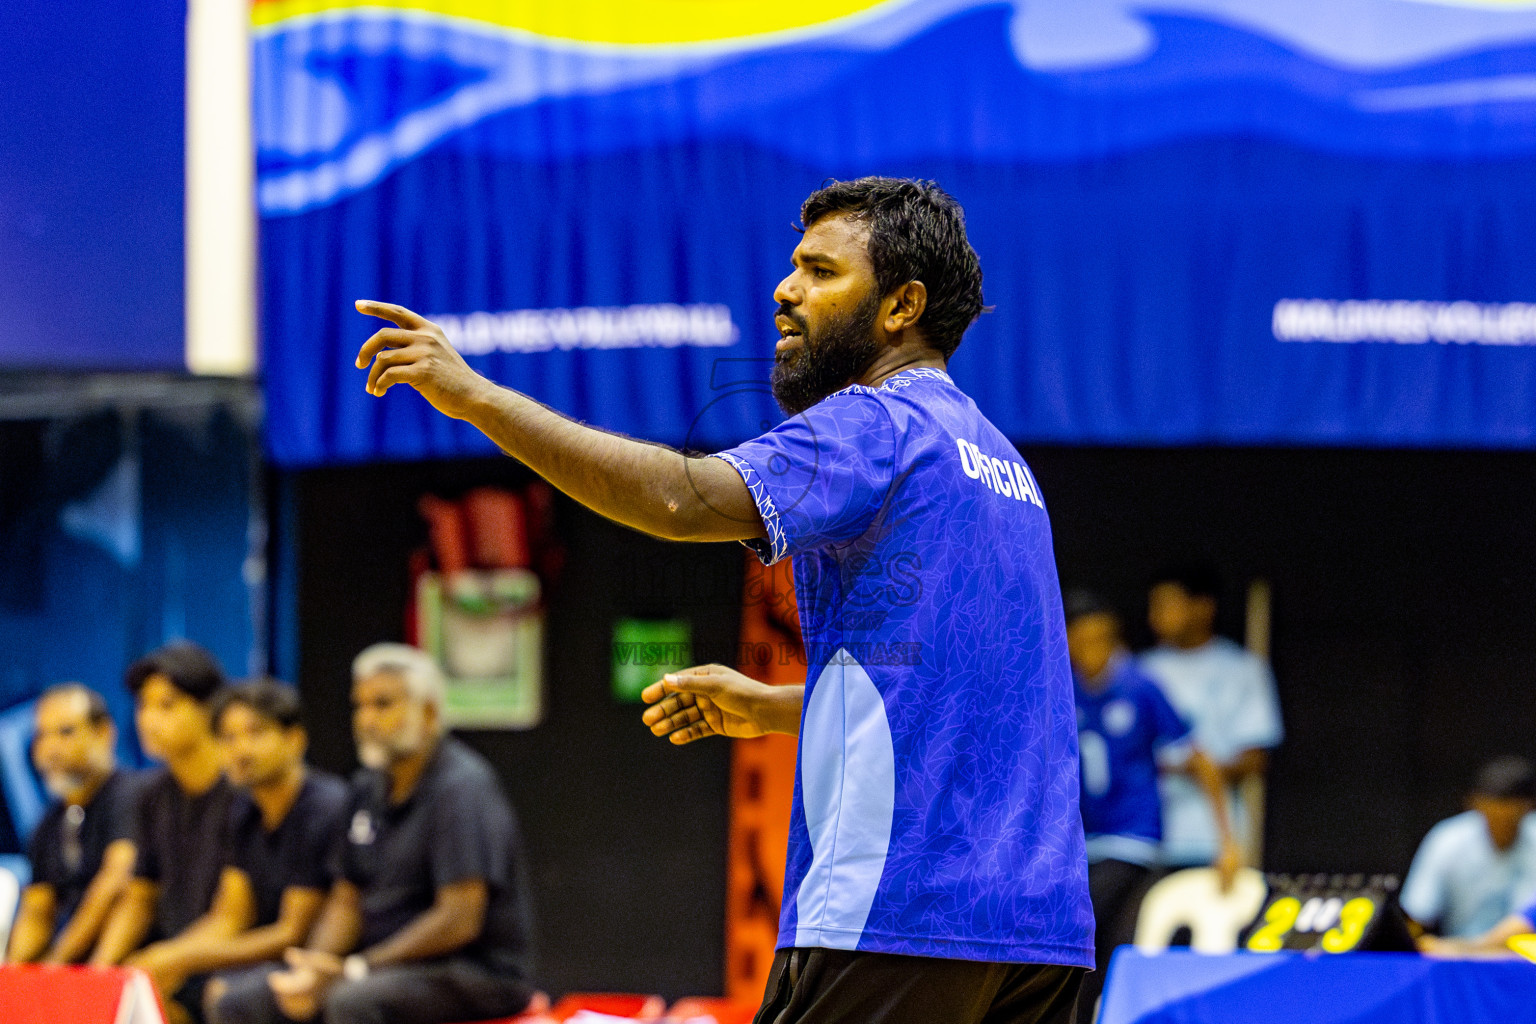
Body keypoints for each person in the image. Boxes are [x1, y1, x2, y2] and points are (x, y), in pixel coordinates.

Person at [352, 177, 1092, 1023]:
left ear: (902, 306)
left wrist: (474, 398)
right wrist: (775, 707)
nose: (785, 289)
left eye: (820, 271)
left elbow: (681, 499)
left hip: (901, 912)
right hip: (1042, 937)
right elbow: (959, 701)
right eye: (794, 266)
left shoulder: (877, 423)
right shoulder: (1002, 467)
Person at [210, 643, 537, 1024]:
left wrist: (360, 968)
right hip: (378, 965)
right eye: (359, 705)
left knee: (351, 1002)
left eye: (383, 705)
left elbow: (459, 918)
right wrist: (313, 967)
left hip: (470, 971)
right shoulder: (366, 788)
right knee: (242, 1000)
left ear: (428, 713)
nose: (366, 719)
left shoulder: (461, 788)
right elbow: (346, 900)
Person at [122, 679, 351, 1021]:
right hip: (263, 958)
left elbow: (293, 932)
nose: (241, 749)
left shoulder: (323, 806)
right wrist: (166, 956)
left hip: (321, 958)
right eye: (228, 737)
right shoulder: (243, 809)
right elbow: (230, 916)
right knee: (164, 986)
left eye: (255, 733)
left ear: (294, 739)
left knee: (226, 994)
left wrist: (183, 959)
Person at [1064, 593, 1239, 1024]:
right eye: (1084, 640)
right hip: (1081, 843)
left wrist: (1228, 841)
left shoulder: (1140, 686)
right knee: (1098, 950)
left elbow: (1200, 759)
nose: (1095, 651)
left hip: (1132, 839)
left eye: (1104, 639)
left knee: (1083, 929)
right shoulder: (1061, 687)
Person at [91, 642, 237, 1024]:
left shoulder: (243, 792)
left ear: (210, 708)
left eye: (167, 705)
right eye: (143, 706)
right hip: (169, 958)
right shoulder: (150, 794)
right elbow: (139, 897)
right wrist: (100, 973)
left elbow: (233, 917)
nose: (149, 719)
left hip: (228, 961)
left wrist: (168, 960)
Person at [1139, 565, 1283, 870]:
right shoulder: (1141, 673)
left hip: (1213, 838)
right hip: (1144, 836)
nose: (1156, 617)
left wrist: (1202, 769)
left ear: (1203, 607)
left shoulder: (1241, 668)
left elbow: (1255, 757)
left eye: (1168, 605)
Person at [5, 683, 144, 964]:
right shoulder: (48, 823)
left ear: (104, 733)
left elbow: (116, 881)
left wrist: (58, 963)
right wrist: (14, 973)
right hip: (71, 966)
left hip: (130, 960)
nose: (50, 748)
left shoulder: (134, 795)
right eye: (41, 735)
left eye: (66, 732)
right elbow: (37, 909)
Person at [1400, 755, 1536, 940]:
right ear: (1475, 804)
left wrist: (1467, 949)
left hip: (1524, 953)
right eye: (1493, 815)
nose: (1501, 824)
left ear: (1527, 807)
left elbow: (1528, 922)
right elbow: (1416, 913)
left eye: (1509, 818)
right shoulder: (1448, 839)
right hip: (1457, 951)